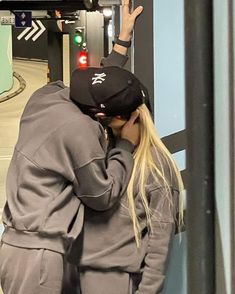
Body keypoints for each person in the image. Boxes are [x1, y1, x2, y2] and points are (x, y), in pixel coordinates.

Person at [0, 1, 144, 294]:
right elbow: (102, 194)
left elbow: (98, 84)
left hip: (21, 249)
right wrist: (126, 145)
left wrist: (122, 42)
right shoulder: (81, 132)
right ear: (103, 117)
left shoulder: (47, 96)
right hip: (41, 261)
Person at [65, 66, 184, 293]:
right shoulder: (106, 154)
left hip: (116, 280)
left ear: (134, 118)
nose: (104, 126)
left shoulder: (157, 166)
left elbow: (160, 244)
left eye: (109, 120)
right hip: (76, 274)